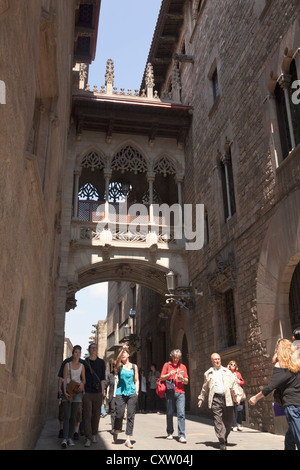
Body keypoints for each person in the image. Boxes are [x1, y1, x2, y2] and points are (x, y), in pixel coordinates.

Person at [249, 338, 300, 450]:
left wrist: (255, 397)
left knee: (297, 436)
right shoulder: (297, 363)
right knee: (291, 435)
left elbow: (271, 386)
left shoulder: (281, 365)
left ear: (279, 350)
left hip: (292, 405)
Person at [198, 353, 242, 450]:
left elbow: (234, 385)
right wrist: (201, 398)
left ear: (220, 360)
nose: (217, 361)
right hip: (215, 399)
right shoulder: (208, 373)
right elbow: (204, 388)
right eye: (215, 359)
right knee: (217, 421)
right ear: (212, 361)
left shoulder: (227, 371)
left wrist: (238, 396)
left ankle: (225, 437)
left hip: (227, 398)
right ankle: (222, 441)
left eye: (218, 359)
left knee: (228, 422)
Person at [112, 343, 139, 449]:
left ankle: (128, 439)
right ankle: (116, 429)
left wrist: (137, 391)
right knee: (119, 413)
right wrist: (121, 350)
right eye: (122, 353)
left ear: (128, 355)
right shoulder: (119, 366)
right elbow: (116, 362)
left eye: (125, 353)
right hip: (120, 392)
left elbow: (136, 380)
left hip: (132, 393)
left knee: (130, 415)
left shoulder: (134, 366)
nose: (123, 354)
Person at [160, 349, 189, 443]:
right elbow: (161, 377)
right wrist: (169, 374)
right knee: (169, 413)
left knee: (181, 414)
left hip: (180, 392)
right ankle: (170, 432)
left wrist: (183, 378)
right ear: (171, 357)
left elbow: (187, 381)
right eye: (175, 357)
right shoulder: (167, 365)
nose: (176, 359)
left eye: (178, 358)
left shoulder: (183, 367)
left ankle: (181, 435)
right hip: (169, 392)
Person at [57, 347, 85, 440]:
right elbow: (62, 378)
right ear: (73, 353)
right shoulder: (67, 363)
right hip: (68, 389)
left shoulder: (82, 364)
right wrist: (62, 390)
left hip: (77, 391)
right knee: (66, 415)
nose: (77, 354)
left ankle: (72, 435)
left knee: (75, 414)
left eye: (79, 352)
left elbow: (84, 379)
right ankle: (64, 435)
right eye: (76, 352)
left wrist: (82, 385)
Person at [83, 343, 106, 447]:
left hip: (98, 392)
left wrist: (103, 390)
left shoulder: (101, 362)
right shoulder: (85, 362)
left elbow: (102, 377)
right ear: (89, 350)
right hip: (87, 391)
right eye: (92, 348)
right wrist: (83, 390)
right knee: (87, 415)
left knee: (96, 415)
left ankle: (94, 434)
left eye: (95, 348)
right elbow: (82, 377)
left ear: (97, 350)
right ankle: (88, 437)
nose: (94, 349)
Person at [228, 361, 245, 431]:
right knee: (232, 409)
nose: (233, 366)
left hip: (238, 391)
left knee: (240, 408)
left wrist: (239, 382)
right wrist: (228, 367)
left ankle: (239, 423)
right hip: (230, 392)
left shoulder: (238, 374)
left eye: (234, 365)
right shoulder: (227, 373)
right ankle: (234, 425)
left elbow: (243, 382)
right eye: (231, 364)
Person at [106, 360, 119, 432]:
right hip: (113, 396)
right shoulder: (110, 375)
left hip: (120, 396)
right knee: (113, 411)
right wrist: (105, 392)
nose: (115, 369)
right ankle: (113, 428)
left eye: (117, 368)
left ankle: (118, 426)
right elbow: (107, 384)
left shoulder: (121, 375)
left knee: (119, 412)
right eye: (114, 367)